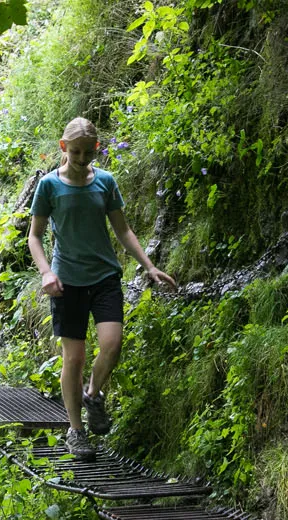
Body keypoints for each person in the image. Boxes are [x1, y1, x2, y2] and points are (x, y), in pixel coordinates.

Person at [28, 117, 176, 461]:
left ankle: (93, 394)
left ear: (96, 149)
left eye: (87, 152)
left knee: (112, 344)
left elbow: (123, 231)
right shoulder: (49, 186)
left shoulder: (106, 182)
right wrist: (46, 272)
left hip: (104, 277)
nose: (81, 159)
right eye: (75, 152)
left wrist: (149, 266)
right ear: (64, 148)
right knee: (74, 358)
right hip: (66, 282)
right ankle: (76, 431)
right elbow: (34, 236)